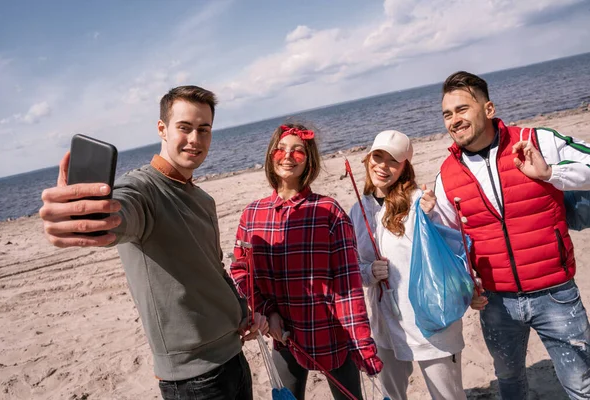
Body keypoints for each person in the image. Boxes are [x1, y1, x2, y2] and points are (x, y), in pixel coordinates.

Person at [39, 85, 268, 400]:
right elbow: (121, 210)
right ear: (162, 129)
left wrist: (241, 310)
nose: (195, 139)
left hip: (234, 355)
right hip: (194, 380)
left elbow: (213, 269)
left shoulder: (203, 199)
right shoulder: (143, 190)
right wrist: (83, 220)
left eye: (204, 130)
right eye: (184, 127)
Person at [434, 71, 590, 399]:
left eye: (462, 109)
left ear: (488, 109)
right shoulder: (445, 176)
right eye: (447, 114)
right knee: (509, 381)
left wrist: (550, 173)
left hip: (556, 294)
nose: (454, 120)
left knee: (581, 385)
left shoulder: (536, 140)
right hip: (496, 303)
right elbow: (450, 246)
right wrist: (467, 289)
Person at [229, 123, 383, 400]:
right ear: (270, 155)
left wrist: (362, 345)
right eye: (281, 150)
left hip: (330, 336)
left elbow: (348, 288)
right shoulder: (252, 214)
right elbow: (241, 272)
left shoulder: (328, 211)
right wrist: (266, 311)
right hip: (283, 337)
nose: (288, 157)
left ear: (308, 160)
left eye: (298, 151)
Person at [349, 130, 467, 400]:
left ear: (404, 167)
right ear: (368, 159)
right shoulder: (357, 210)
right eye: (378, 157)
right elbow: (352, 267)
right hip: (385, 327)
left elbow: (451, 251)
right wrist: (369, 272)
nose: (383, 166)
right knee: (392, 396)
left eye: (393, 161)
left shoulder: (419, 203)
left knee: (448, 395)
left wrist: (432, 217)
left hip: (430, 321)